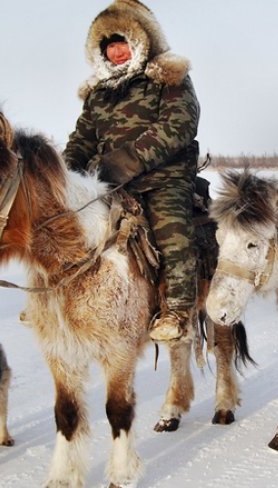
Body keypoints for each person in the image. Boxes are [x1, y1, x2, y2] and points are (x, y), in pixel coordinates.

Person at [64, 0, 200, 342]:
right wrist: (63, 173)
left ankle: (177, 309)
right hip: (108, 184)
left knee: (173, 235)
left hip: (163, 180)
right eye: (108, 45)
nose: (116, 51)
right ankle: (65, 298)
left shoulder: (168, 77)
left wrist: (125, 162)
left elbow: (178, 126)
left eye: (122, 41)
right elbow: (82, 139)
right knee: (69, 230)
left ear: (140, 42)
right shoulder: (98, 94)